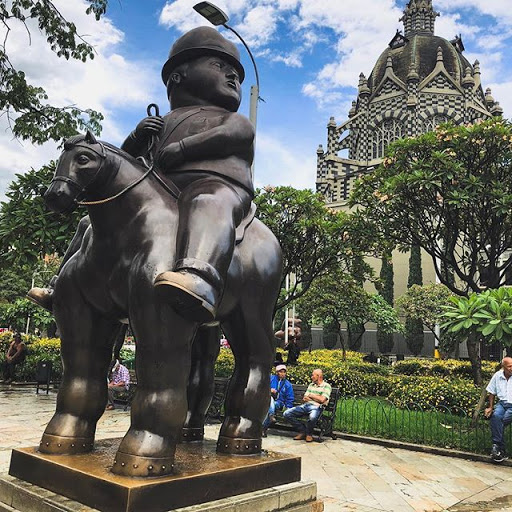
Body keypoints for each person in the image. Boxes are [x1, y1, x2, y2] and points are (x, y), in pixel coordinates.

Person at [120, 26, 254, 324]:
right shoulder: (160, 122)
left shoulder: (230, 119)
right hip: (160, 195)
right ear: (178, 76)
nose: (233, 76)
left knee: (205, 200)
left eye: (235, 72)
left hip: (219, 188)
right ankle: (67, 283)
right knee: (90, 222)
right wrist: (135, 136)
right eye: (220, 66)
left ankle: (198, 277)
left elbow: (239, 134)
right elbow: (125, 164)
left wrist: (182, 149)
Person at [283, 368, 331, 443]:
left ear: (318, 376)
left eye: (313, 375)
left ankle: (309, 434)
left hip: (317, 407)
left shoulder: (326, 386)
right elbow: (305, 398)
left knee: (312, 417)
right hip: (306, 405)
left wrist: (312, 396)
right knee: (287, 413)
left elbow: (322, 400)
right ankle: (303, 431)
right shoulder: (311, 385)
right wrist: (317, 397)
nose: (311, 377)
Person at [485, 357, 512, 462]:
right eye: (509, 366)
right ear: (503, 367)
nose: (511, 368)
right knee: (496, 416)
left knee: (501, 420)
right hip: (502, 404)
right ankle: (499, 448)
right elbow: (491, 392)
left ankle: (497, 447)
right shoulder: (497, 376)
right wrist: (490, 407)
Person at [262, 364, 294, 437]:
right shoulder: (270, 379)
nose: (282, 373)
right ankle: (267, 423)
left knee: (271, 404)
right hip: (265, 400)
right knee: (270, 400)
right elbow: (261, 387)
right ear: (277, 372)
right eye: (281, 372)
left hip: (279, 403)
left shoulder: (288, 384)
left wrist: (288, 407)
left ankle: (269, 417)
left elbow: (290, 397)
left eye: (284, 372)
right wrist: (269, 390)